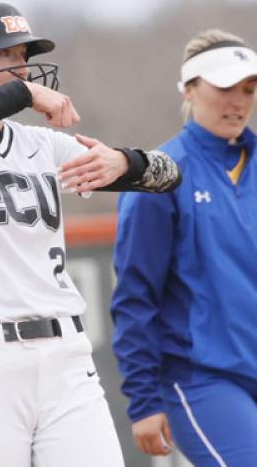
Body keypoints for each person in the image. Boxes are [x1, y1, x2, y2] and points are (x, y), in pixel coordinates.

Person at [0, 1, 180, 467]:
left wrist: (126, 162)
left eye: (22, 55)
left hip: (66, 357)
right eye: (6, 56)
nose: (24, 68)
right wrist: (21, 96)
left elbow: (169, 175)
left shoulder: (41, 145)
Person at [107, 29, 257, 466]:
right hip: (201, 379)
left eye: (248, 89)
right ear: (190, 89)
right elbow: (135, 297)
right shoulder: (162, 177)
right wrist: (143, 399)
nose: (238, 102)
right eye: (225, 87)